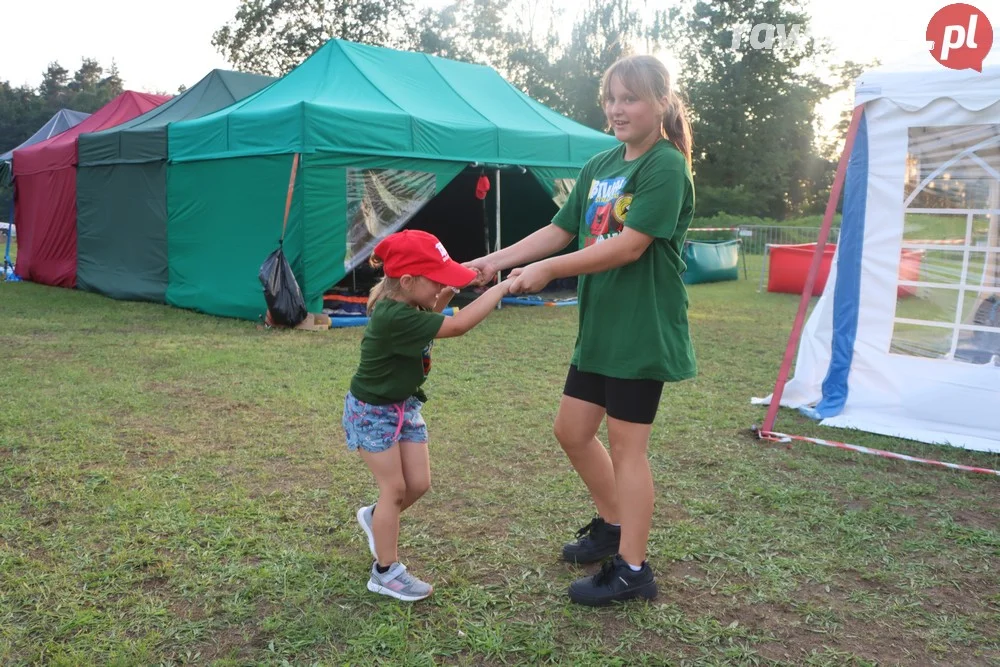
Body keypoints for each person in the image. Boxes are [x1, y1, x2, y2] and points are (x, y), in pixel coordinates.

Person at [465, 54, 696, 606]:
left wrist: (548, 271)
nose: (617, 109)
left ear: (660, 102)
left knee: (627, 449)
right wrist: (492, 261)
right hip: (600, 328)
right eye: (611, 98)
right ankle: (614, 525)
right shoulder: (600, 166)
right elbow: (560, 228)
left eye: (630, 98)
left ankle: (634, 570)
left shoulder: (665, 166)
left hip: (641, 329)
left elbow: (629, 244)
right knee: (571, 430)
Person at [344, 229, 511, 602]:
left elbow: (433, 311)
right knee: (396, 488)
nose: (441, 287)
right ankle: (385, 572)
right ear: (406, 281)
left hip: (404, 406)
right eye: (436, 280)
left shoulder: (410, 304)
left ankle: (375, 519)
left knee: (417, 484)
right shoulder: (393, 316)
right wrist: (498, 289)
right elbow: (458, 325)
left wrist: (455, 283)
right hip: (373, 412)